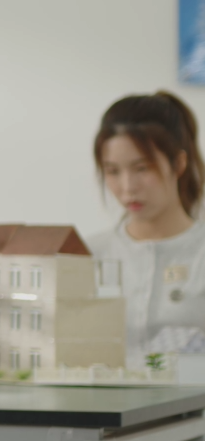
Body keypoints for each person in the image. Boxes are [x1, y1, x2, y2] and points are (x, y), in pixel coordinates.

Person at [88, 91, 205, 365]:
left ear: (179, 163)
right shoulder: (88, 255)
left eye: (142, 168)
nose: (128, 187)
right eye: (113, 171)